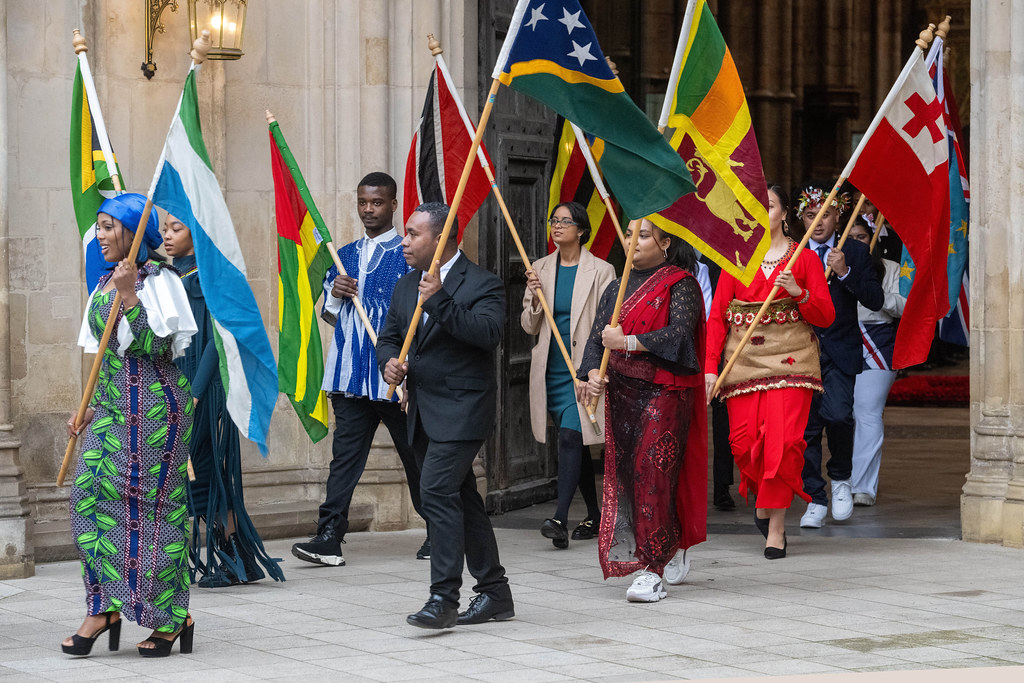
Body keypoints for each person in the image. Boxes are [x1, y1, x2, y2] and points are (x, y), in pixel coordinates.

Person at [64, 193, 198, 657]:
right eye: (97, 227)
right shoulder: (103, 283)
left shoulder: (161, 281)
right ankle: (104, 606)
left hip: (157, 411)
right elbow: (101, 356)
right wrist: (85, 407)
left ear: (130, 232)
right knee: (87, 502)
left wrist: (129, 295)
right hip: (113, 410)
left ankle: (172, 618)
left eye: (107, 227)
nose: (99, 236)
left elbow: (158, 349)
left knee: (155, 512)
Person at [378, 202, 514, 628]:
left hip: (463, 408)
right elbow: (390, 337)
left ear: (441, 239)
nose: (404, 241)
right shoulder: (404, 285)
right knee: (462, 498)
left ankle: (444, 598)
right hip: (421, 408)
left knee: (435, 491)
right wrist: (389, 364)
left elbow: (488, 334)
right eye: (406, 232)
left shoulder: (482, 282)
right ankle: (495, 592)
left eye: (414, 234)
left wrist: (439, 301)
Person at [291, 172, 428, 567]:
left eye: (378, 203)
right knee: (345, 459)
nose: (369, 210)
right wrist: (334, 295)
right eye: (363, 202)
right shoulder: (344, 254)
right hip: (350, 376)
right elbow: (331, 317)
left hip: (393, 376)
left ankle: (439, 528)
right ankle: (329, 535)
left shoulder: (408, 255)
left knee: (414, 455)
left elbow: (417, 316)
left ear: (393, 205)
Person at [578, 218, 706, 603]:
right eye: (630, 234)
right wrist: (590, 374)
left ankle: (652, 568)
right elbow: (598, 339)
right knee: (632, 476)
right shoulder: (616, 288)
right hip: (623, 393)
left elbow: (680, 336)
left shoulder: (681, 283)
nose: (633, 241)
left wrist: (629, 342)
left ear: (665, 242)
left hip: (664, 392)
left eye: (643, 235)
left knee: (653, 471)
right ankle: (670, 539)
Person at [705, 186, 835, 558]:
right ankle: (764, 499)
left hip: (792, 359)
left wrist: (799, 292)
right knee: (743, 444)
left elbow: (825, 316)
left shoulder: (805, 259)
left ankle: (776, 529)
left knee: (781, 443)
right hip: (742, 360)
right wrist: (710, 369)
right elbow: (718, 318)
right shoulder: (735, 260)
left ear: (783, 213)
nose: (762, 210)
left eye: (769, 204)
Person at [163, 214, 284, 587]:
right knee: (187, 476)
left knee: (203, 472)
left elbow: (219, 342)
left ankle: (237, 558)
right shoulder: (168, 278)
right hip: (174, 389)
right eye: (164, 228)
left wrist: (196, 394)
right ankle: (232, 558)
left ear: (196, 234)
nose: (167, 235)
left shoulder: (208, 278)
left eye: (176, 229)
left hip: (203, 390)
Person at [521, 202, 614, 548]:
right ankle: (595, 514)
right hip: (552, 371)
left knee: (572, 439)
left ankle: (560, 518)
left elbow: (606, 326)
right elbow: (529, 326)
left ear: (582, 230)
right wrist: (533, 296)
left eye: (565, 221)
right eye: (553, 221)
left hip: (583, 372)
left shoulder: (603, 270)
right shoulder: (540, 268)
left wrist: (594, 370)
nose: (557, 226)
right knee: (575, 443)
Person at [796, 184, 884, 528]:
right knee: (806, 429)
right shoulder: (793, 253)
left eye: (826, 213)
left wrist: (845, 272)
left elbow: (875, 300)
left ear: (838, 216)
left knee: (838, 416)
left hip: (840, 350)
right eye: (809, 214)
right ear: (799, 218)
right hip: (801, 350)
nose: (817, 221)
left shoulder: (855, 253)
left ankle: (842, 478)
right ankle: (815, 497)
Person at [848, 219, 905, 506]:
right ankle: (840, 480)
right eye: (852, 237)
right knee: (838, 416)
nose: (858, 242)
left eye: (862, 237)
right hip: (841, 343)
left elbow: (904, 305)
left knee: (868, 413)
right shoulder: (831, 266)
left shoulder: (890, 268)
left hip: (878, 344)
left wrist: (875, 296)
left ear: (872, 239)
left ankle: (863, 487)